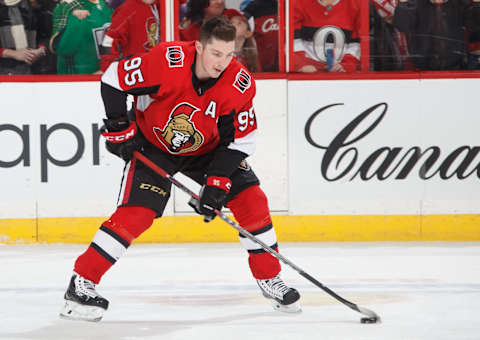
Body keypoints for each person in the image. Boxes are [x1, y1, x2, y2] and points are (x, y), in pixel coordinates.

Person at [59, 16, 301, 322]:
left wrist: (216, 184)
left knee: (252, 201)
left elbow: (240, 140)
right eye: (215, 54)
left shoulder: (239, 84)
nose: (222, 63)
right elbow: (112, 79)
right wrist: (120, 127)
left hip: (208, 152)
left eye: (229, 55)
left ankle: (270, 278)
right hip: (154, 146)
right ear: (199, 46)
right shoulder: (166, 60)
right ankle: (81, 285)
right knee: (137, 214)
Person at [393, 0, 479, 70]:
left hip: (457, 68)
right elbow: (402, 26)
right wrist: (404, 3)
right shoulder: (415, 3)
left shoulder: (461, 3)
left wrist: (476, 4)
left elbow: (475, 27)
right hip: (421, 70)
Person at [293, 0, 361, 73]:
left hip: (341, 73)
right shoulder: (299, 3)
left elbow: (358, 42)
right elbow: (291, 39)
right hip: (307, 71)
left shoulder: (356, 4)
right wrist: (300, 64)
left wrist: (346, 65)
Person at [50, 0, 112, 74]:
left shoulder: (109, 6)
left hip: (108, 77)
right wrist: (76, 22)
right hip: (78, 79)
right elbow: (55, 47)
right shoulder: (67, 6)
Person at [100, 0, 161, 72]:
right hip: (135, 70)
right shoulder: (128, 9)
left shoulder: (160, 5)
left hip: (156, 66)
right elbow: (110, 40)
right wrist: (107, 69)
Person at [0, 0, 47, 74]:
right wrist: (11, 53)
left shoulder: (32, 6)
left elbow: (43, 36)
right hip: (4, 70)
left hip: (32, 69)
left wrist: (41, 50)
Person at [242, 0, 279, 72]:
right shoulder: (253, 7)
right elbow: (239, 32)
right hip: (261, 69)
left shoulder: (288, 6)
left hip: (286, 68)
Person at [224, 8, 261, 72]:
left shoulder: (252, 58)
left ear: (248, 33)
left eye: (239, 23)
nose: (232, 25)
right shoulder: (220, 54)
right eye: (231, 22)